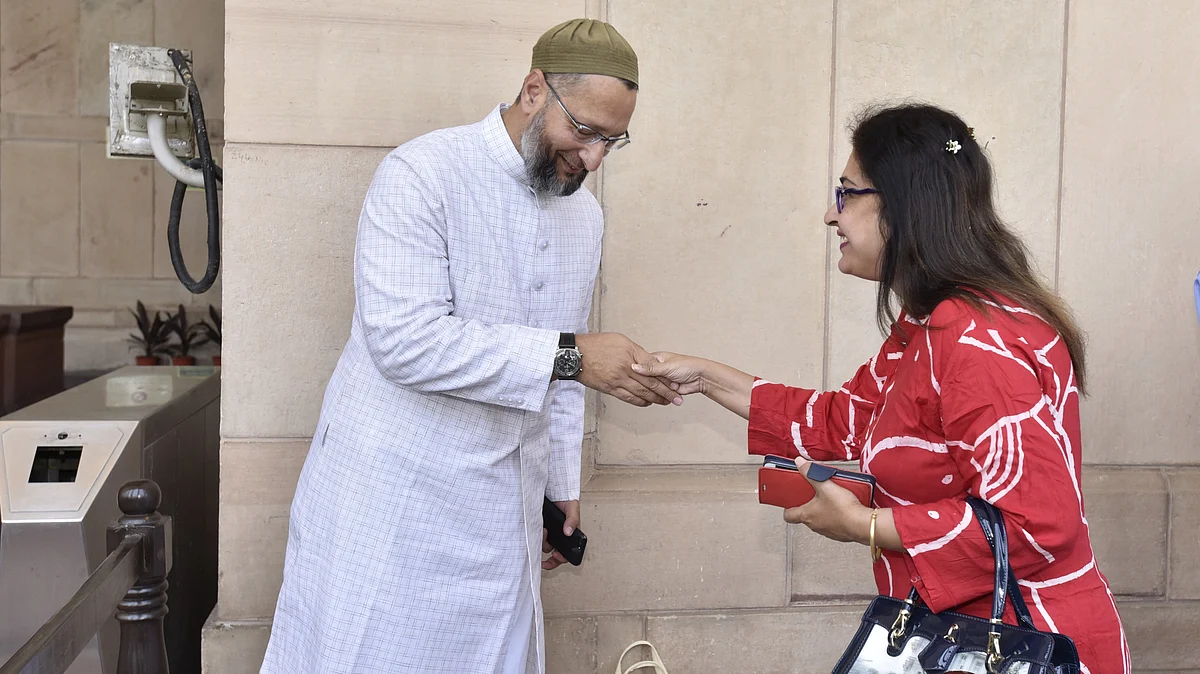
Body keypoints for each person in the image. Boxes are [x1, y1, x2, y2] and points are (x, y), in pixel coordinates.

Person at [635, 104, 1129, 673]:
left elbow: (1035, 526)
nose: (830, 214)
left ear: (900, 205)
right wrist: (702, 377)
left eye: (846, 193)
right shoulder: (929, 325)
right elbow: (843, 421)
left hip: (1026, 644)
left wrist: (861, 525)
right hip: (960, 636)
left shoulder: (976, 341)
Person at [259, 19, 680, 674]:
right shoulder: (422, 174)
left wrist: (562, 486)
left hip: (500, 513)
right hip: (393, 504)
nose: (594, 158)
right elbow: (405, 340)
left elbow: (567, 368)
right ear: (534, 89)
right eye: (585, 131)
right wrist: (572, 355)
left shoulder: (583, 214)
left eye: (612, 140)